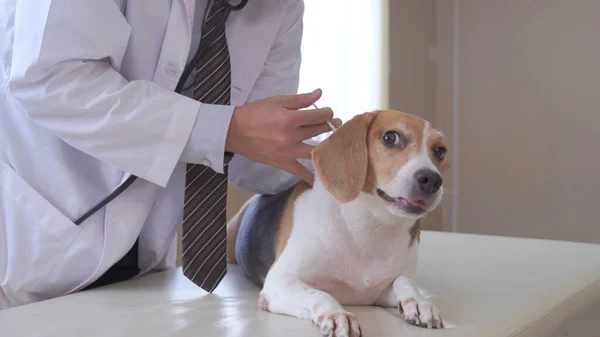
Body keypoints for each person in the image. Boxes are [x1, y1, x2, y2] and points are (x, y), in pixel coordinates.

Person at [0, 0, 342, 309]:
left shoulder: (279, 6)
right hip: (27, 247)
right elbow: (51, 79)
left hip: (141, 273)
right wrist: (223, 128)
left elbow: (255, 166)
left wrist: (339, 166)